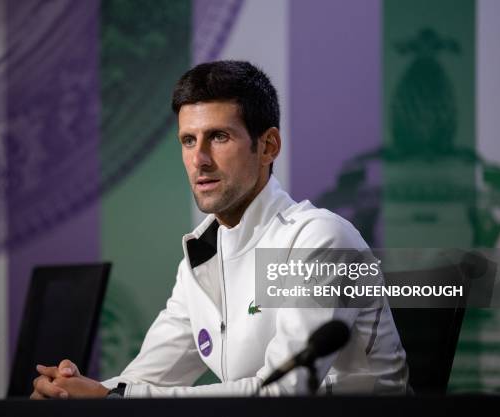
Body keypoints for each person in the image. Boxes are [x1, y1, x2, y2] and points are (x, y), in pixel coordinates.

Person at [30, 60, 408, 399]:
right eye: (188, 140)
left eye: (219, 137)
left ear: (268, 146)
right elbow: (146, 380)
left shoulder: (319, 238)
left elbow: (287, 390)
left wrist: (113, 399)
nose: (199, 160)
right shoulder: (202, 254)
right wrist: (72, 392)